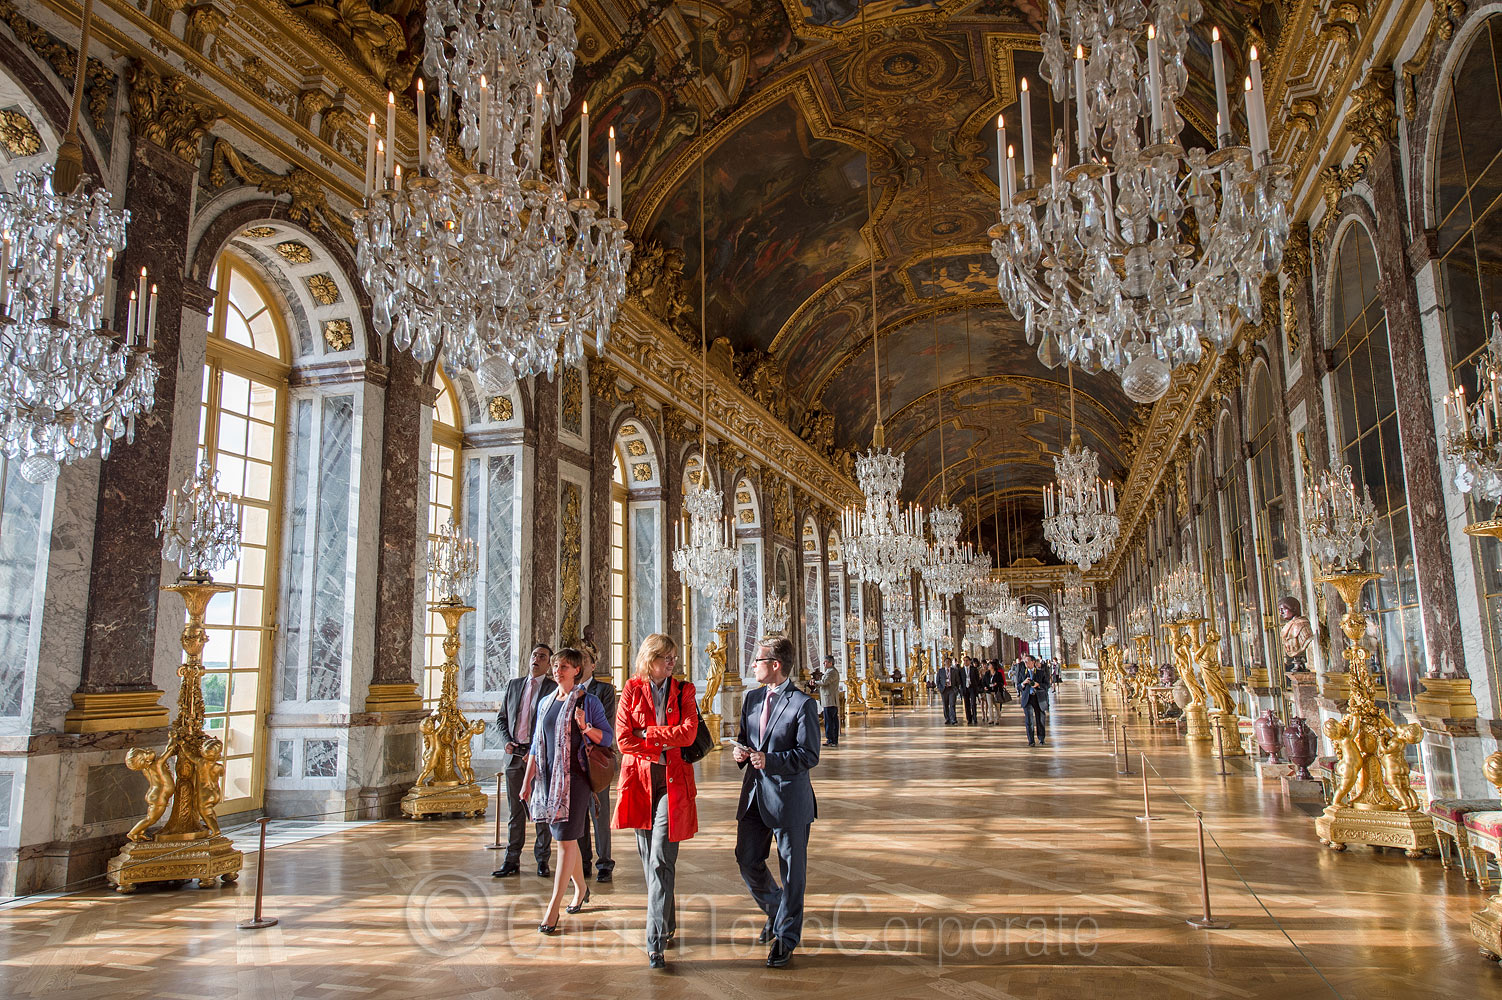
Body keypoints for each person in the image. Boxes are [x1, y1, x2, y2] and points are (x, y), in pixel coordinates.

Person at [733, 636, 820, 969]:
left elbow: (809, 754)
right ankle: (776, 907)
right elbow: (745, 738)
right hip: (754, 794)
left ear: (775, 665)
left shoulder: (802, 704)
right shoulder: (752, 698)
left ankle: (786, 938)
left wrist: (771, 761)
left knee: (792, 870)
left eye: (758, 660)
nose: (753, 665)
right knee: (746, 858)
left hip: (788, 798)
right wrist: (740, 752)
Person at [615, 633, 700, 969]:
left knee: (660, 860)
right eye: (667, 658)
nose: (672, 663)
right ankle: (668, 923)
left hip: (672, 785)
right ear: (650, 658)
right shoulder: (632, 689)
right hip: (639, 785)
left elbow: (690, 732)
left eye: (674, 658)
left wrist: (647, 734)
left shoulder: (684, 691)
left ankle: (654, 943)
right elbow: (623, 740)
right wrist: (666, 739)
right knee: (651, 861)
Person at [522, 647, 615, 934]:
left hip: (575, 780)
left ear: (576, 670)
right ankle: (582, 888)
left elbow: (607, 737)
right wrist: (528, 780)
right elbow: (538, 744)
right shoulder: (548, 701)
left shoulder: (589, 701)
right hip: (549, 780)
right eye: (555, 666)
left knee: (563, 841)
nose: (557, 671)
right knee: (567, 839)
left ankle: (552, 909)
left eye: (563, 667)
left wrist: (586, 727)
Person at [493, 643, 557, 878]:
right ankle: (511, 860)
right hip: (513, 757)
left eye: (542, 657)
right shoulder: (514, 685)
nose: (536, 659)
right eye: (534, 655)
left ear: (548, 664)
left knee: (540, 809)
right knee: (515, 813)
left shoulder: (552, 689)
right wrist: (506, 741)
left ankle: (542, 859)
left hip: (538, 758)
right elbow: (502, 719)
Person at [579, 640, 617, 884]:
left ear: (593, 665)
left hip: (597, 758)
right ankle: (583, 861)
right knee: (579, 814)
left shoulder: (604, 690)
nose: (580, 664)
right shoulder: (565, 690)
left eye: (584, 660)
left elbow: (607, 723)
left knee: (599, 812)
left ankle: (604, 861)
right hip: (576, 759)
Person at [1016, 655, 1051, 746]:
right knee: (1029, 721)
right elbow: (1018, 686)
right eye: (1025, 662)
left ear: (1033, 662)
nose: (1026, 663)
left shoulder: (1040, 672)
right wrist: (1023, 683)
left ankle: (1041, 738)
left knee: (1040, 719)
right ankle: (1031, 741)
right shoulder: (1022, 673)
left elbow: (1047, 685)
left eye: (1027, 661)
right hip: (1028, 699)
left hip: (1039, 698)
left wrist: (1038, 685)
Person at [817, 655, 840, 747]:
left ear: (830, 663)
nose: (824, 663)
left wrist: (815, 682)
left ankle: (831, 739)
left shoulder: (831, 672)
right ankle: (832, 739)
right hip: (829, 700)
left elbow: (824, 682)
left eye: (825, 662)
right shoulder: (829, 671)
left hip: (830, 700)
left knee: (830, 721)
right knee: (831, 720)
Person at [936, 656, 962, 725]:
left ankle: (953, 719)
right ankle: (947, 718)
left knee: (952, 704)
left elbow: (958, 680)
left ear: (950, 663)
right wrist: (940, 688)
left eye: (949, 662)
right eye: (946, 662)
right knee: (945, 705)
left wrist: (956, 689)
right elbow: (937, 681)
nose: (947, 663)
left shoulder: (954, 670)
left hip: (952, 689)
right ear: (944, 663)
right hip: (944, 690)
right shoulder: (940, 671)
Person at [963, 656, 981, 725]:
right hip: (965, 688)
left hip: (972, 688)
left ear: (970, 661)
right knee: (966, 704)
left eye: (967, 660)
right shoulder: (961, 670)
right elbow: (960, 680)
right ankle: (969, 718)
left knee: (973, 703)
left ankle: (974, 717)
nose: (965, 662)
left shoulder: (974, 669)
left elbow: (977, 679)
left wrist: (976, 687)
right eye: (964, 660)